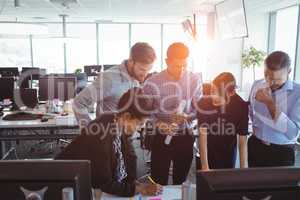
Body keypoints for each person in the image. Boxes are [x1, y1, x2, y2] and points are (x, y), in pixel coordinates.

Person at [56, 88, 163, 197]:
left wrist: (134, 184)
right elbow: (104, 183)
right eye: (139, 124)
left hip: (87, 186)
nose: (140, 128)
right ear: (127, 116)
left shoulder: (118, 124)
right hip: (64, 188)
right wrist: (140, 189)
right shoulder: (100, 135)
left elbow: (129, 161)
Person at [143, 42, 202, 185]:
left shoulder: (194, 80)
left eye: (184, 66)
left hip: (185, 136)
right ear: (167, 61)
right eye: (177, 66)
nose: (181, 70)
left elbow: (199, 110)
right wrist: (159, 123)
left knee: (181, 180)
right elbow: (144, 112)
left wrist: (187, 116)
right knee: (158, 179)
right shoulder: (152, 82)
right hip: (161, 136)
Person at [73, 42, 156, 127]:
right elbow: (79, 103)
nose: (145, 74)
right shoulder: (108, 79)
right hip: (108, 136)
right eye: (142, 69)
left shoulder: (135, 79)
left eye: (148, 70)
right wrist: (89, 131)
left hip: (127, 138)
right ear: (131, 61)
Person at [248, 51, 300, 167]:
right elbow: (251, 112)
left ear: (289, 71)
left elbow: (292, 133)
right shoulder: (257, 84)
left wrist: (269, 103)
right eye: (266, 75)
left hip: (281, 153)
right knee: (253, 184)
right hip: (255, 146)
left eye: (276, 79)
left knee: (280, 186)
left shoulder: (298, 93)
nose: (270, 82)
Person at [197, 72, 249, 170]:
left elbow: (242, 141)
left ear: (231, 93)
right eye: (212, 91)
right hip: (207, 149)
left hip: (228, 150)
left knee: (226, 179)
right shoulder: (204, 102)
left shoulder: (241, 106)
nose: (213, 97)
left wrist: (244, 170)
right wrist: (205, 167)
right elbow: (202, 135)